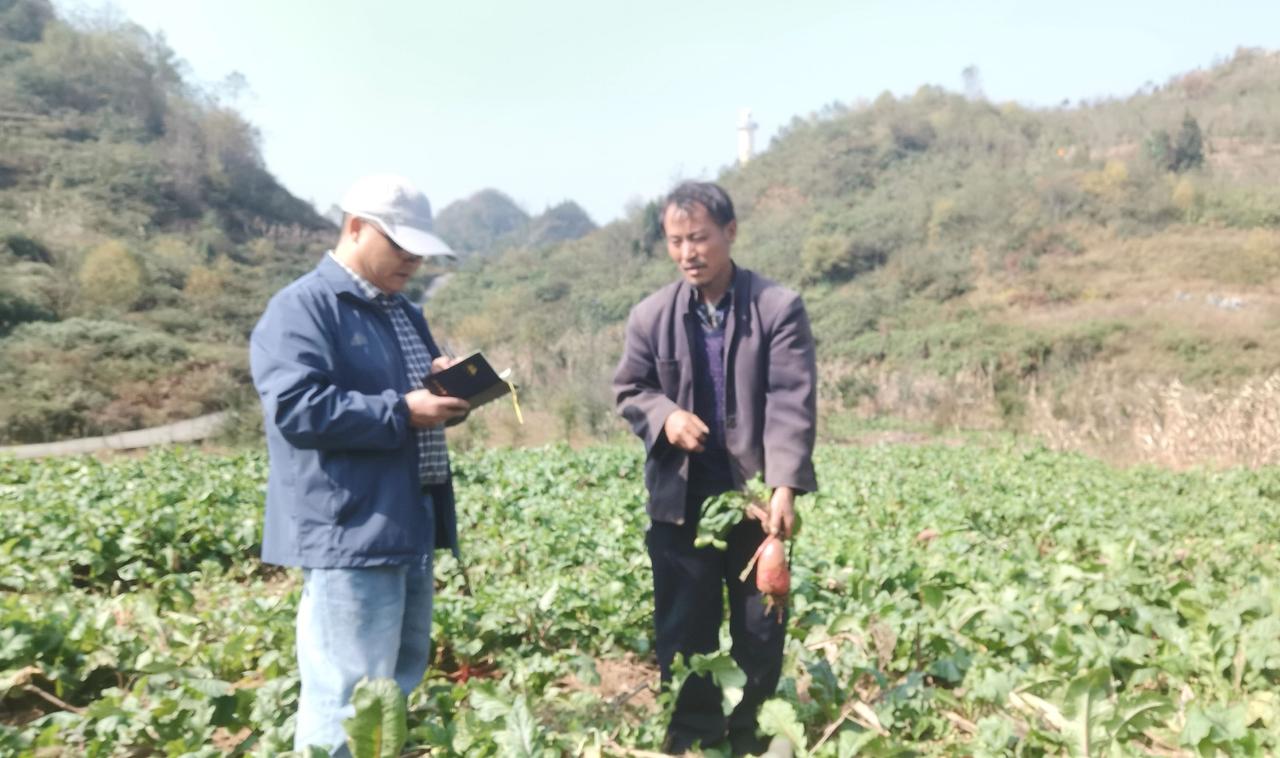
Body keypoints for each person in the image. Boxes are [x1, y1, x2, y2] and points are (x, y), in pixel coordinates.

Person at [249, 174, 470, 755]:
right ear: (354, 227)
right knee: (346, 693)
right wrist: (403, 410)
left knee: (393, 683)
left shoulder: (403, 311)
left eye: (419, 250)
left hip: (408, 519)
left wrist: (443, 392)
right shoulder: (302, 308)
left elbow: (409, 399)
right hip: (350, 527)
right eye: (400, 246)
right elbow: (297, 408)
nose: (413, 261)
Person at [613, 181, 818, 755]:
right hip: (679, 497)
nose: (688, 253)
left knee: (759, 624)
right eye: (676, 241)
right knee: (683, 622)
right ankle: (691, 734)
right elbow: (630, 388)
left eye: (699, 237)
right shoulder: (651, 316)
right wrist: (665, 415)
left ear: (729, 232)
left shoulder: (776, 307)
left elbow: (789, 402)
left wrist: (784, 484)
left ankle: (749, 730)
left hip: (752, 496)